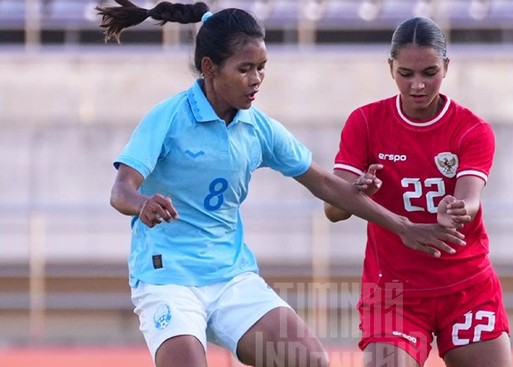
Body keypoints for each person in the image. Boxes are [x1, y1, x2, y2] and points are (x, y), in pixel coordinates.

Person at [98, 2, 467, 367]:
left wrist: (400, 225)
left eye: (261, 68)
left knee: (310, 360)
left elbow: (323, 182)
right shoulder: (169, 117)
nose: (256, 79)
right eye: (245, 69)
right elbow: (121, 190)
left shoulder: (257, 127)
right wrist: (141, 203)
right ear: (210, 68)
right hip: (167, 279)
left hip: (230, 278)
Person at [323, 16, 512, 367]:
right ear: (390, 67)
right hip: (394, 294)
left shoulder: (471, 129)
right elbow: (333, 210)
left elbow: (470, 200)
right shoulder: (365, 122)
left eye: (429, 72)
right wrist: (356, 192)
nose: (418, 85)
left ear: (447, 67)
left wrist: (456, 209)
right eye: (405, 74)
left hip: (466, 287)